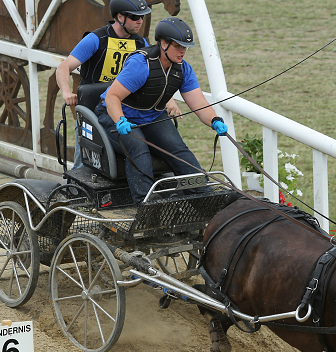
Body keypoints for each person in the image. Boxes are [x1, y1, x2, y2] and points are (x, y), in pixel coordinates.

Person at [95, 17, 228, 204]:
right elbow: (112, 98)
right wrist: (120, 120)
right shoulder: (141, 65)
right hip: (117, 116)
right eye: (178, 46)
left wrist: (215, 120)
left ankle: (203, 198)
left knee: (178, 150)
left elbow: (198, 102)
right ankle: (146, 204)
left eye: (185, 47)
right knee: (138, 148)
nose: (183, 51)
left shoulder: (184, 70)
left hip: (153, 116)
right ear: (163, 43)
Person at [55, 0, 178, 167]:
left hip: (125, 110)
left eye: (142, 17)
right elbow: (64, 66)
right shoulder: (96, 39)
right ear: (120, 17)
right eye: (135, 17)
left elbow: (156, 75)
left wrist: (168, 101)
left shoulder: (141, 44)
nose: (140, 21)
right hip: (94, 110)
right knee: (83, 163)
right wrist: (66, 92)